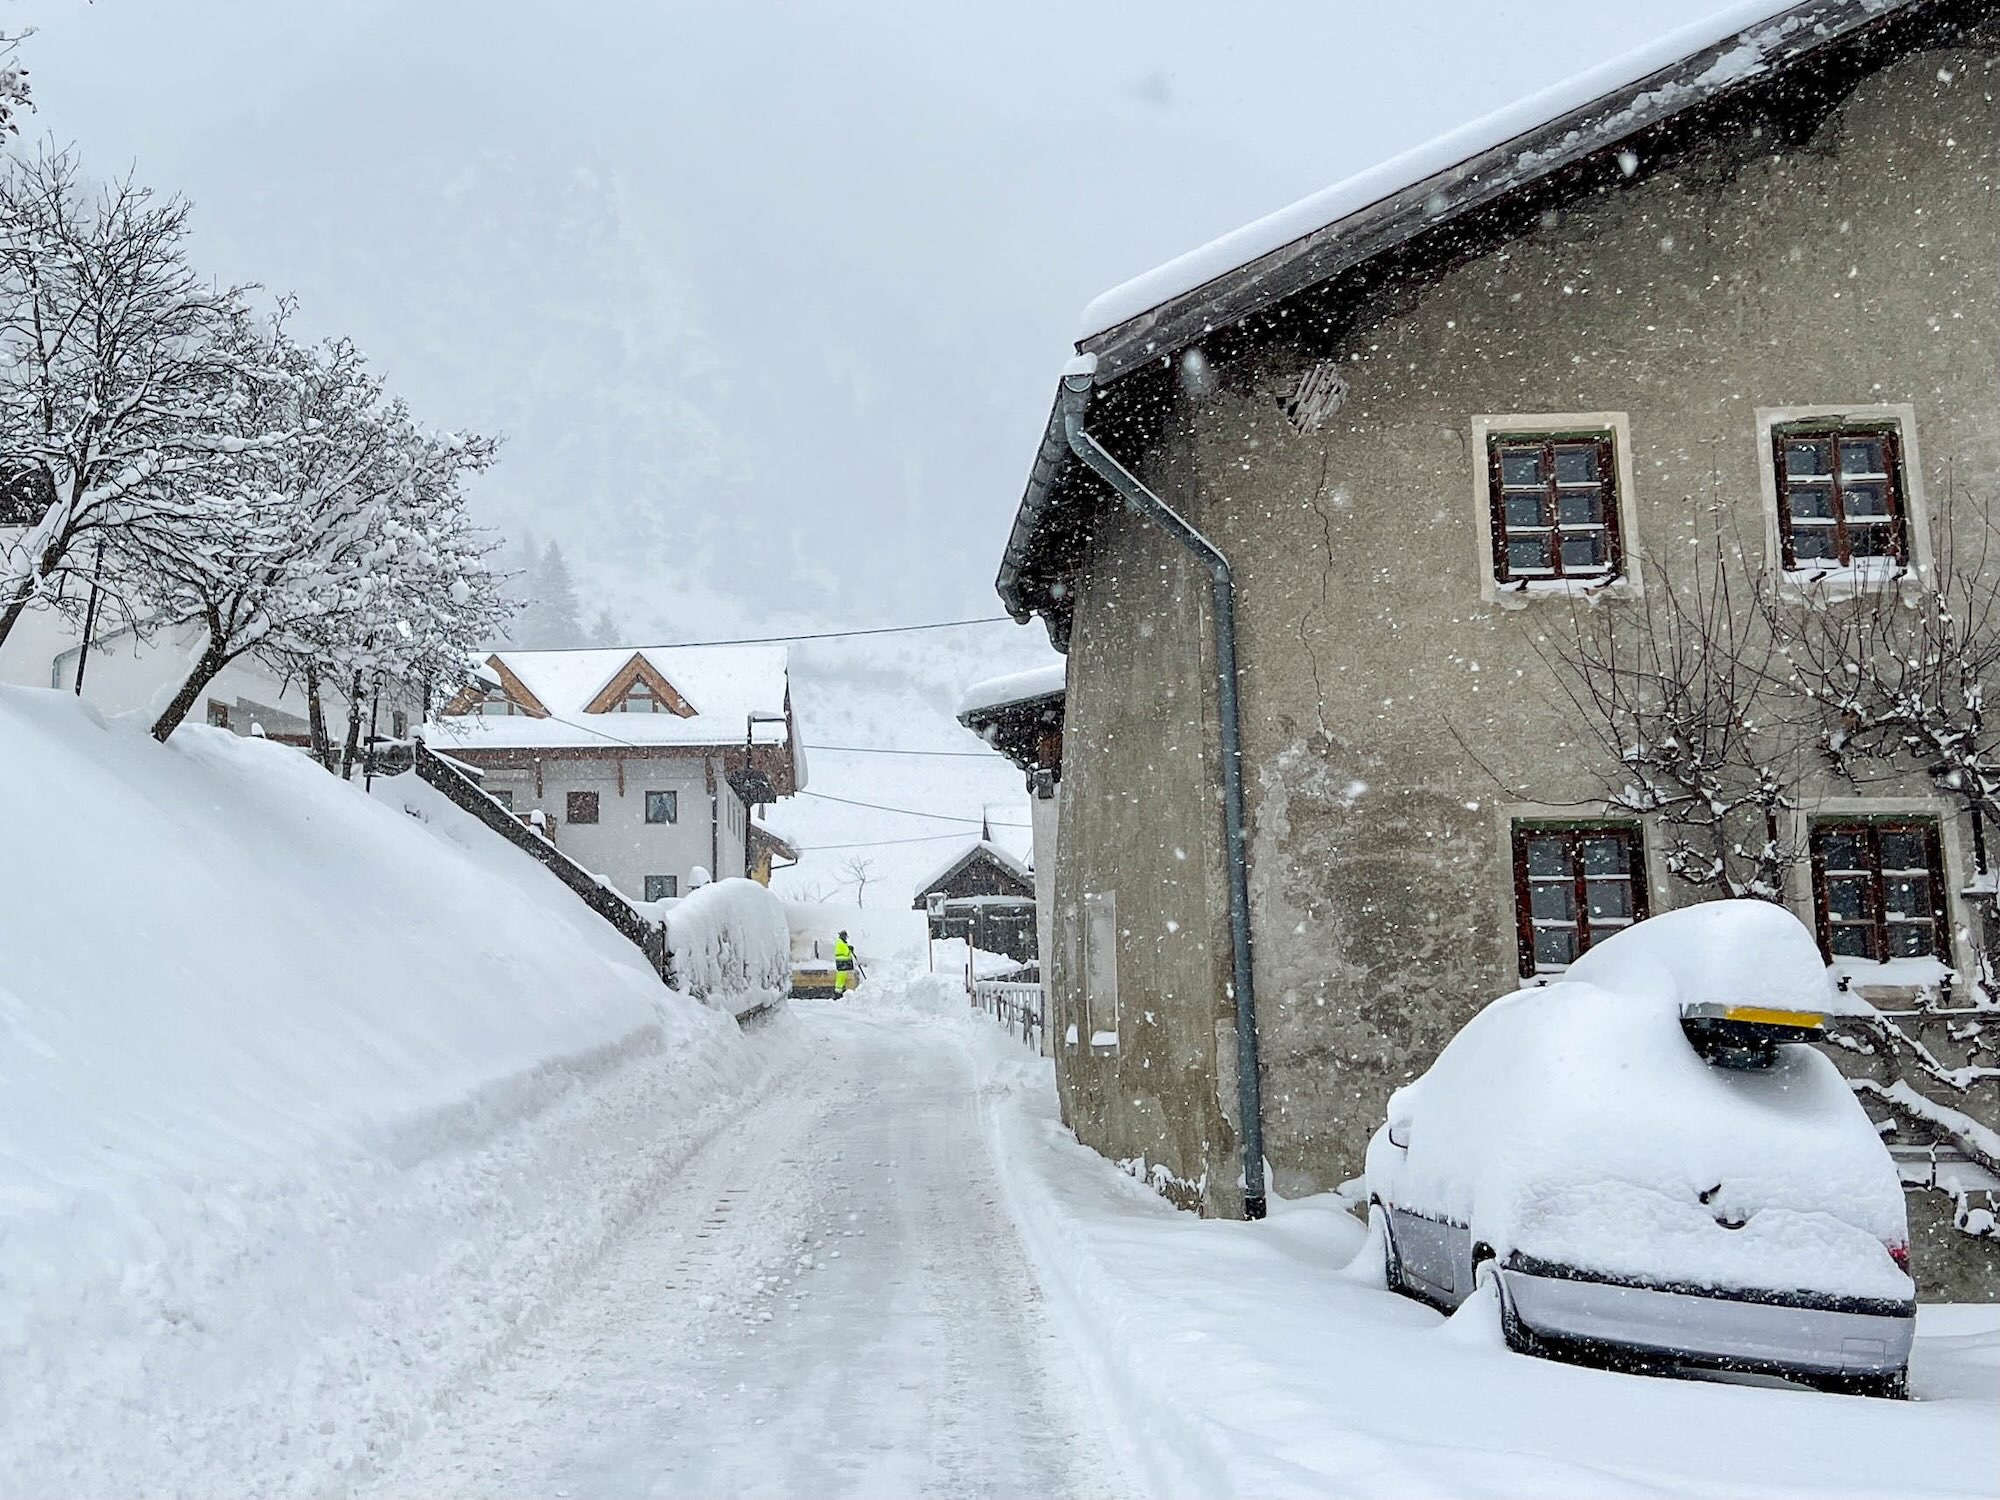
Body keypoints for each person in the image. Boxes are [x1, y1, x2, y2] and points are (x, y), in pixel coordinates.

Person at [833, 930, 856, 995]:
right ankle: (838, 991)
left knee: (842, 976)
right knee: (841, 976)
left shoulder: (842, 942)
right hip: (842, 962)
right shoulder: (840, 943)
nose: (846, 938)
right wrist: (850, 949)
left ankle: (840, 990)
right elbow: (846, 952)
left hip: (844, 962)